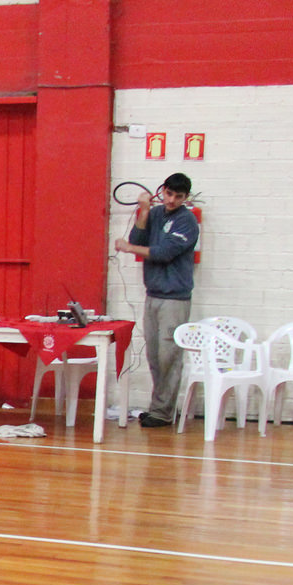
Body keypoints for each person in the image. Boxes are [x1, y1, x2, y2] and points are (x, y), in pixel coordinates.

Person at [114, 172, 200, 428]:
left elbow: (164, 253)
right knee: (154, 355)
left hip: (175, 298)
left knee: (168, 356)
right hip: (153, 294)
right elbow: (137, 239)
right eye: (169, 194)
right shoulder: (155, 213)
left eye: (178, 196)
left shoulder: (187, 221)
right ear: (162, 190)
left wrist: (129, 249)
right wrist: (143, 211)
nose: (171, 200)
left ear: (186, 198)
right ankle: (157, 408)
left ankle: (163, 412)